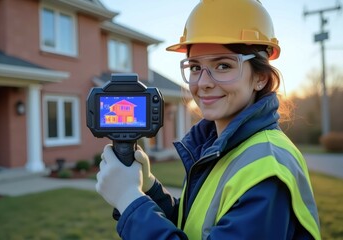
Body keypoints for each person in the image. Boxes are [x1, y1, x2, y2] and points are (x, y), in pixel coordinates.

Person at [95, 0, 321, 239]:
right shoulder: (221, 147)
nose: (203, 82)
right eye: (194, 67)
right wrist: (149, 187)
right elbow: (195, 226)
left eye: (223, 65)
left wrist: (129, 200)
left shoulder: (267, 170)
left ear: (260, 78)